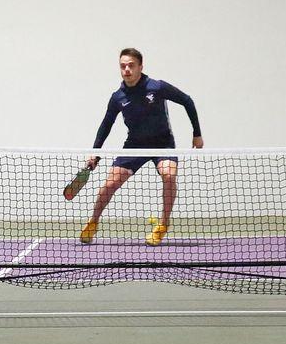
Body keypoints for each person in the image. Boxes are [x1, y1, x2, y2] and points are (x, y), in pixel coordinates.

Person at [81, 48, 202, 247]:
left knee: (169, 175)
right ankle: (93, 222)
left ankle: (163, 225)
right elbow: (106, 125)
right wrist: (95, 153)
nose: (126, 69)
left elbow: (187, 100)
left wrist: (197, 134)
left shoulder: (157, 87)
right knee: (109, 185)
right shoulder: (118, 97)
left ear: (140, 67)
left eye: (131, 65)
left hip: (163, 144)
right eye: (123, 66)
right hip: (134, 146)